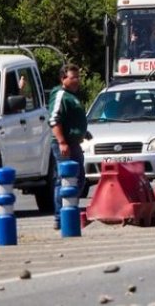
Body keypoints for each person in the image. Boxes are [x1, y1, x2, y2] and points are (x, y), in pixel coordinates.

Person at [48, 64, 88, 231]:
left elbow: (72, 120)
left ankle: (70, 210)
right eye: (73, 77)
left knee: (79, 179)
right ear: (63, 79)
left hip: (74, 143)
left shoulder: (72, 96)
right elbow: (54, 120)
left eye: (78, 77)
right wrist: (62, 142)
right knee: (63, 180)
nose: (76, 80)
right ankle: (61, 217)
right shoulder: (60, 95)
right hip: (64, 145)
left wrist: (82, 132)